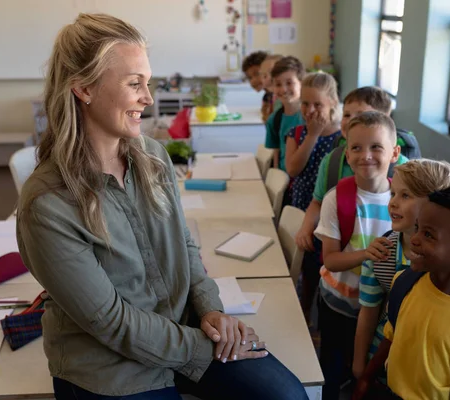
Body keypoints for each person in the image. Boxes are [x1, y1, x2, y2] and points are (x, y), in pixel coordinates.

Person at [16, 13, 307, 400]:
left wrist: (211, 311)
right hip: (110, 367)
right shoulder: (47, 203)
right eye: (134, 84)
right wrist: (206, 346)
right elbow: (112, 323)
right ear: (84, 88)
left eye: (147, 82)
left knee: (286, 395)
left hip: (183, 328)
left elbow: (184, 245)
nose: (148, 98)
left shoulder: (152, 156)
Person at [353, 186, 450, 399]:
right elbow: (391, 336)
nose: (415, 239)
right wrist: (366, 379)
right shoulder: (404, 282)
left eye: (428, 234)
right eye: (418, 227)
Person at [314, 111, 400, 400]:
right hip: (338, 303)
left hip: (379, 310)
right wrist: (366, 253)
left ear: (395, 152)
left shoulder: (402, 202)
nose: (366, 155)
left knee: (365, 371)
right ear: (347, 155)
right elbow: (330, 259)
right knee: (332, 368)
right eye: (356, 148)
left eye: (376, 146)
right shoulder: (336, 199)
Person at [284, 72, 341, 318]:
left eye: (318, 104)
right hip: (302, 210)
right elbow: (293, 168)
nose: (310, 110)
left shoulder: (342, 139)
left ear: (332, 104)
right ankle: (305, 314)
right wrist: (313, 135)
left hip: (330, 215)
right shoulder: (296, 134)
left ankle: (325, 313)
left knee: (325, 269)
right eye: (305, 103)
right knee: (307, 267)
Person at [265, 56, 306, 171]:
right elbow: (276, 153)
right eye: (278, 84)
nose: (283, 89)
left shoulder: (310, 116)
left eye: (289, 83)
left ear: (301, 83)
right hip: (285, 181)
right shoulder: (274, 120)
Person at [260, 54, 283, 122]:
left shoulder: (285, 99)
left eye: (270, 72)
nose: (265, 77)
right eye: (262, 74)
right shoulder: (268, 97)